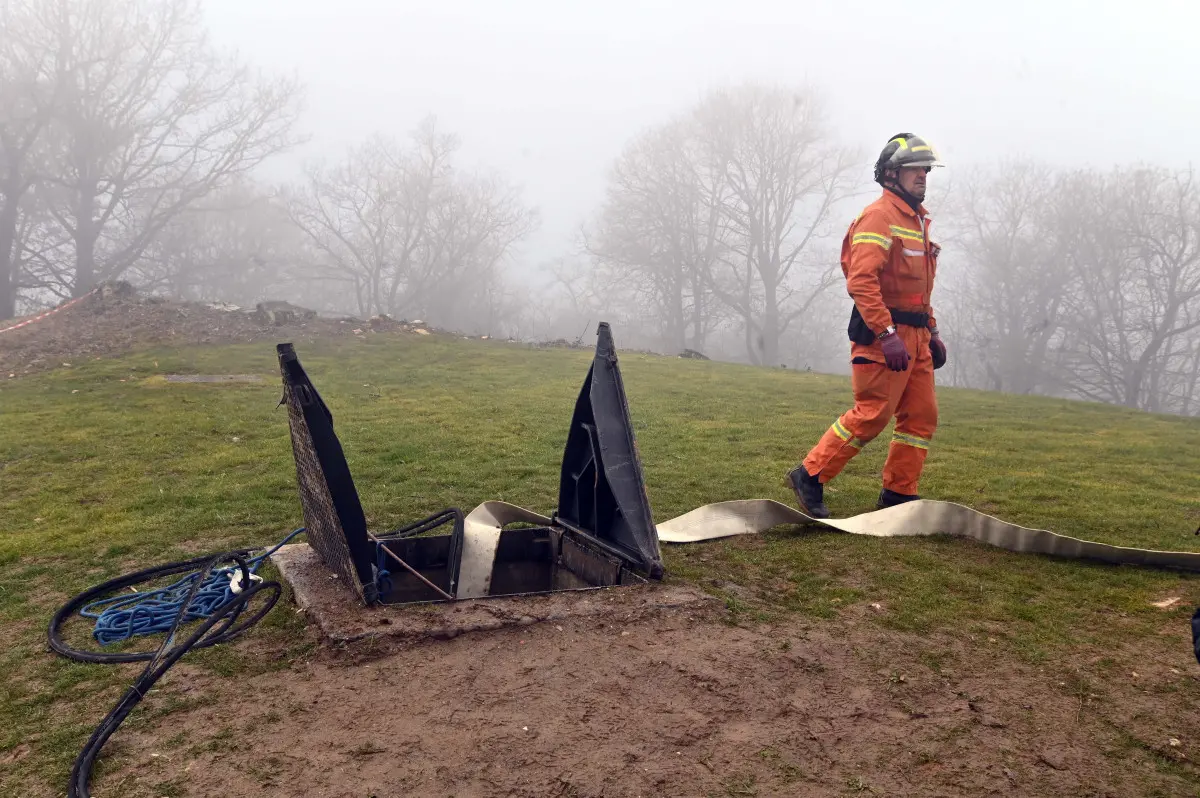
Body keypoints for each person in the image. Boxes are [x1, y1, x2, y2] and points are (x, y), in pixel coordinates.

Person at [787, 133, 948, 518]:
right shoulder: (879, 216)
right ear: (892, 174)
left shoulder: (918, 222)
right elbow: (861, 281)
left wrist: (934, 331)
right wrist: (886, 334)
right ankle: (810, 474)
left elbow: (917, 288)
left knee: (921, 417)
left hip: (918, 336)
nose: (923, 175)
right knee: (873, 412)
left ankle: (898, 492)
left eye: (926, 169)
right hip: (884, 335)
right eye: (915, 169)